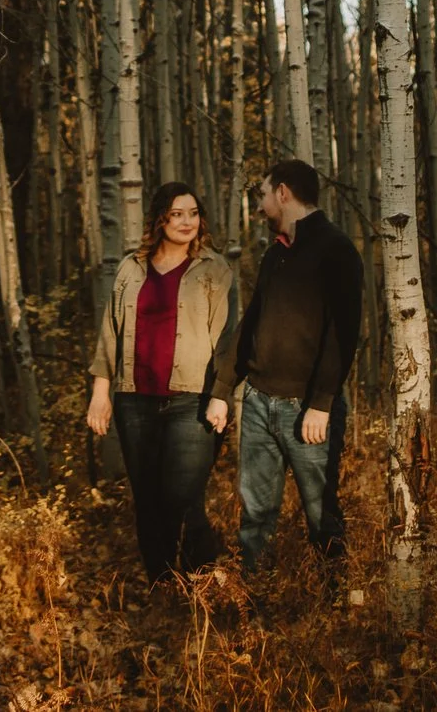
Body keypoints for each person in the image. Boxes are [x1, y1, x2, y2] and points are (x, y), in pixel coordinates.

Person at [86, 181, 239, 580]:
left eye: (193, 213)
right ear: (160, 218)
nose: (187, 222)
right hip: (134, 400)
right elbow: (110, 332)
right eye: (176, 214)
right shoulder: (131, 266)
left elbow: (227, 339)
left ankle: (203, 588)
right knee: (148, 499)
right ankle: (163, 588)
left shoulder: (214, 268)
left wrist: (222, 396)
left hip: (192, 400)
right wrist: (101, 394)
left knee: (184, 499)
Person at [232, 159, 362, 573]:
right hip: (257, 404)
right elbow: (252, 323)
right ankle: (254, 605)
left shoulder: (336, 249)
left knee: (322, 517)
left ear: (283, 193)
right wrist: (224, 389)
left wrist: (321, 403)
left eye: (264, 195)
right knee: (255, 517)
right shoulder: (276, 254)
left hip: (307, 411)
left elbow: (343, 334)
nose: (260, 206)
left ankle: (338, 606)